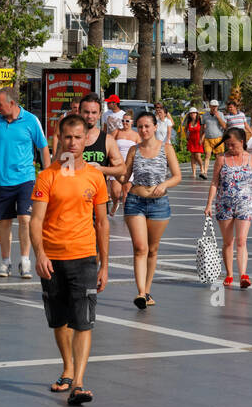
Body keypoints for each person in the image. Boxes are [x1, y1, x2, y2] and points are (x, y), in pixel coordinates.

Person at [30, 113, 109, 405]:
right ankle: (67, 368)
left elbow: (102, 222)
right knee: (59, 320)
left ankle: (78, 382)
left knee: (84, 322)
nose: (73, 143)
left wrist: (105, 265)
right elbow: (35, 220)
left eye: (78, 138)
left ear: (86, 140)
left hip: (85, 257)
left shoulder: (95, 176)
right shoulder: (47, 175)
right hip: (52, 258)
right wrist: (39, 253)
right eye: (68, 137)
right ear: (59, 138)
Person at [0, 87, 51, 280]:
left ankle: (25, 260)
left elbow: (43, 148)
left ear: (12, 103)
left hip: (25, 178)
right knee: (4, 221)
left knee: (25, 220)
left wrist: (48, 173)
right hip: (1, 179)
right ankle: (5, 261)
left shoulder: (30, 120)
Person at [120, 110, 182, 308]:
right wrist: (108, 173)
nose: (144, 130)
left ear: (156, 127)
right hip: (135, 201)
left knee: (152, 249)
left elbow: (177, 176)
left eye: (147, 126)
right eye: (140, 126)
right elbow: (124, 175)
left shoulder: (166, 148)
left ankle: (147, 292)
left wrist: (164, 185)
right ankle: (139, 293)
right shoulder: (133, 150)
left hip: (159, 205)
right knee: (140, 247)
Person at [205, 126, 252, 287]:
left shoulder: (251, 159)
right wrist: (209, 204)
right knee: (228, 242)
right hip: (224, 204)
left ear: (242, 142)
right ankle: (230, 274)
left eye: (233, 145)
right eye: (228, 145)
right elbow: (214, 183)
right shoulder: (221, 159)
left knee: (241, 240)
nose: (230, 148)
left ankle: (243, 275)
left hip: (245, 203)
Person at [70, 95, 126, 211]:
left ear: (100, 115)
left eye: (94, 112)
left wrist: (102, 169)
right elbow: (56, 166)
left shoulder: (107, 140)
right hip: (72, 200)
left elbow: (122, 169)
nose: (90, 116)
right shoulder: (69, 137)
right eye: (86, 112)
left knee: (100, 228)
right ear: (79, 112)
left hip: (97, 201)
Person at [110, 115, 140, 215]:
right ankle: (115, 203)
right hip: (117, 165)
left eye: (127, 121)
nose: (124, 123)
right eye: (123, 120)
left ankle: (126, 213)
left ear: (132, 122)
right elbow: (109, 145)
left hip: (129, 166)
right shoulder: (117, 132)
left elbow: (140, 150)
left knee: (126, 191)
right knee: (115, 192)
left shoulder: (136, 135)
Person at [201, 100, 227, 176]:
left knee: (218, 157)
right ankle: (205, 172)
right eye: (213, 106)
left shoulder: (221, 114)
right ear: (210, 106)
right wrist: (200, 137)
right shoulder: (205, 115)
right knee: (207, 155)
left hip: (218, 138)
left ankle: (220, 172)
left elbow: (224, 126)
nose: (214, 108)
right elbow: (202, 127)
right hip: (208, 138)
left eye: (216, 106)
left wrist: (218, 117)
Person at [183, 107, 205, 178]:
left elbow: (204, 131)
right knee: (192, 156)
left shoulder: (200, 121)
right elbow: (185, 129)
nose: (192, 114)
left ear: (196, 113)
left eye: (194, 113)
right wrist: (187, 136)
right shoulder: (189, 122)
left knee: (198, 156)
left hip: (198, 140)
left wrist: (202, 139)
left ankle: (202, 168)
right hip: (191, 140)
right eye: (191, 113)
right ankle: (194, 173)